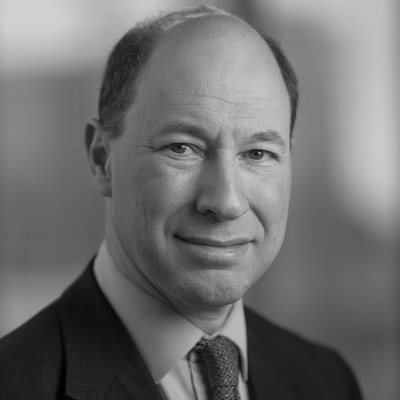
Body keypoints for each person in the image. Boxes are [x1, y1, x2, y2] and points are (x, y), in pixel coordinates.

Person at [0, 5, 363, 400]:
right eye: (182, 148)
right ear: (102, 159)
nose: (226, 202)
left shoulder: (328, 381)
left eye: (257, 154)